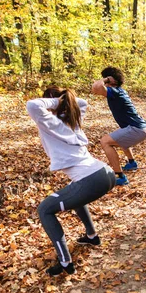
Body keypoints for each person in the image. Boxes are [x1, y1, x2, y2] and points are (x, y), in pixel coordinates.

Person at [27, 87, 116, 276]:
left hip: (91, 179)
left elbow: (33, 105)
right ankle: (92, 236)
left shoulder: (50, 121)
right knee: (73, 194)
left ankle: (65, 262)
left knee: (44, 209)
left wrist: (57, 101)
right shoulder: (73, 119)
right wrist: (65, 100)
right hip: (104, 172)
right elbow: (82, 102)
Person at [91, 67, 146, 186]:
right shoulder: (119, 91)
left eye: (106, 78)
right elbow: (95, 89)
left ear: (111, 80)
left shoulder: (115, 92)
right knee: (120, 134)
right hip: (140, 128)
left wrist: (106, 79)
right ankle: (132, 163)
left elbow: (96, 87)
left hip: (137, 129)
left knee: (105, 142)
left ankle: (120, 176)